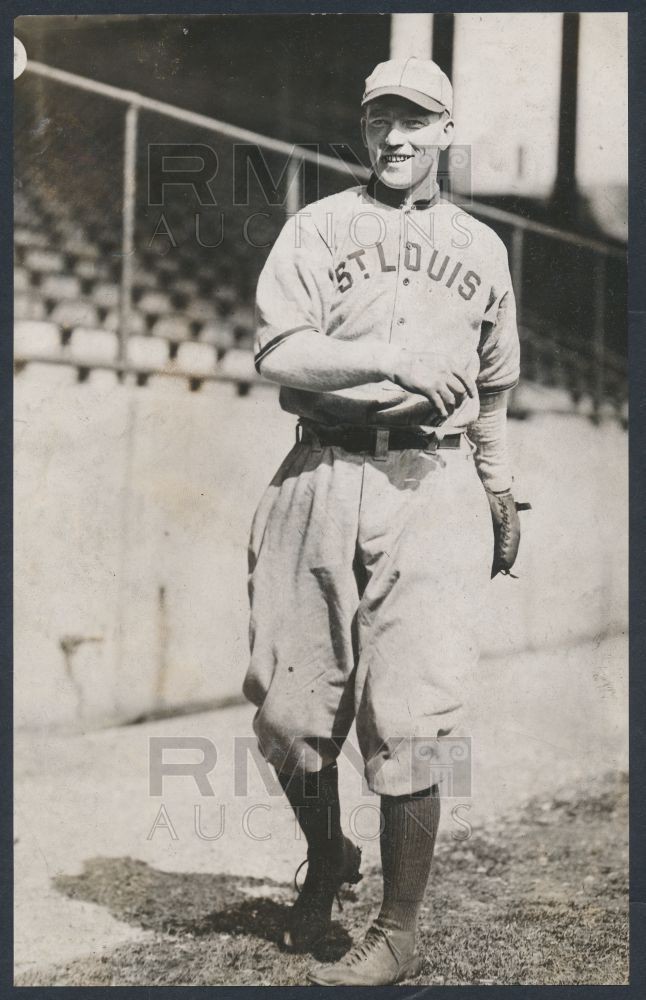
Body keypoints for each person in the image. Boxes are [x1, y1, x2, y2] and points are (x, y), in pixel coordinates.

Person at [242, 56, 523, 986]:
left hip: (431, 481)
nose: (396, 137)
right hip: (322, 467)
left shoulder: (483, 247)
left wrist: (499, 488)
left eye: (415, 120)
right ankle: (328, 855)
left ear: (446, 130)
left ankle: (397, 931)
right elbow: (279, 352)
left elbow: (493, 388)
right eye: (380, 120)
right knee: (286, 711)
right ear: (364, 128)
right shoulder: (318, 226)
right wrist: (389, 360)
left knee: (410, 712)